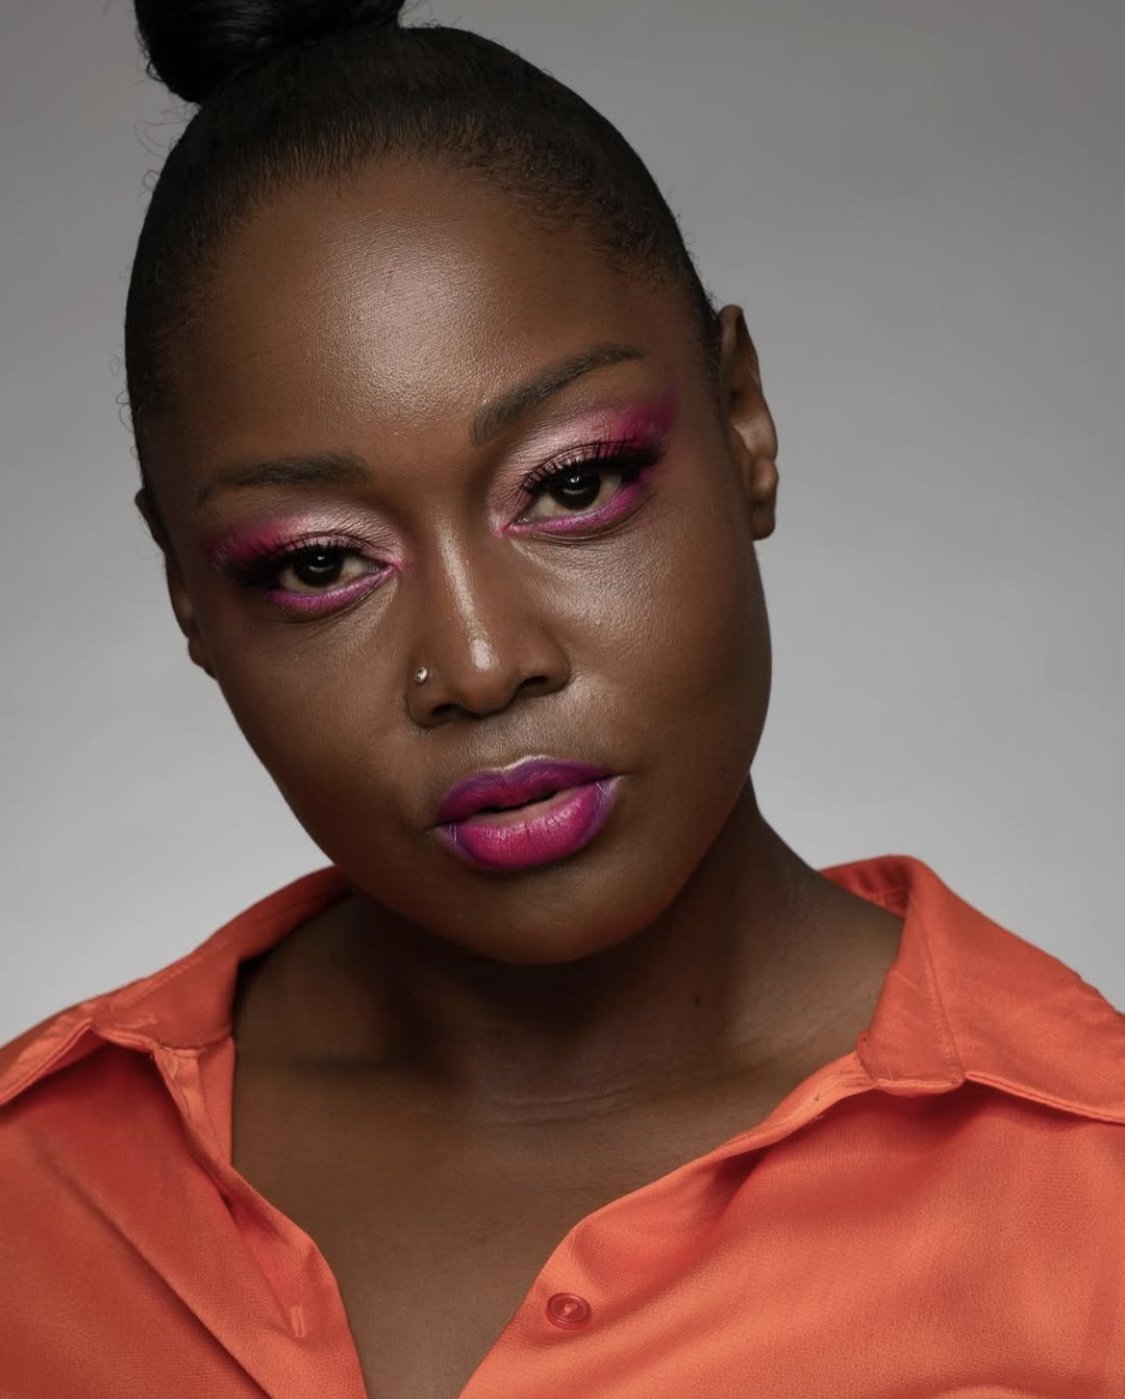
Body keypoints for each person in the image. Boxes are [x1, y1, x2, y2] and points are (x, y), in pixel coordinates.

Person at [2, 3, 1123, 1397]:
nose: (478, 665)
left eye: (574, 485)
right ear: (188, 598)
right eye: (316, 563)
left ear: (743, 424)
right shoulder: (31, 1195)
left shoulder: (1093, 1208)